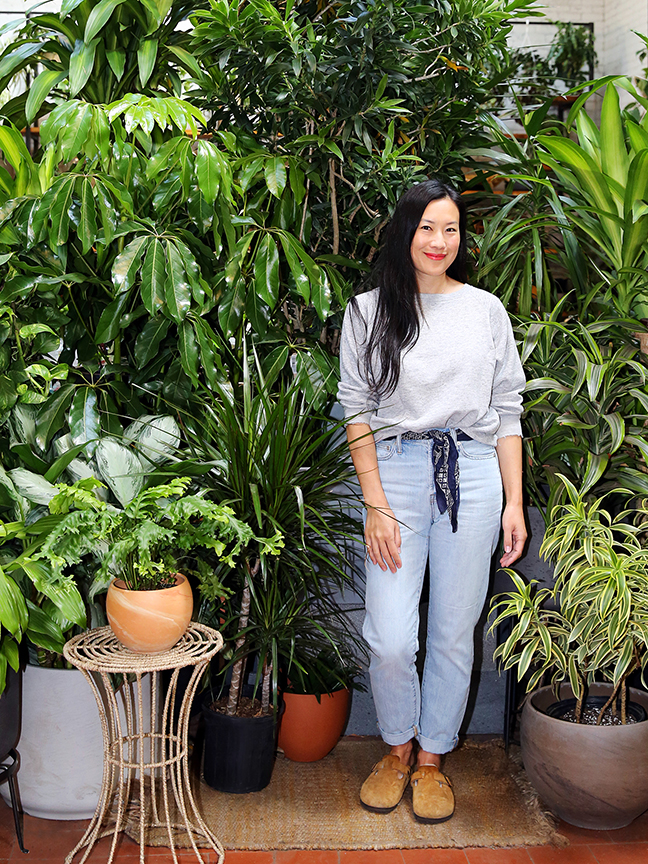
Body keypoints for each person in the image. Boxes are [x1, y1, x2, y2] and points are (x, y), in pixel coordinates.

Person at [337, 179, 527, 824]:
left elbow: (507, 412)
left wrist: (514, 505)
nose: (439, 242)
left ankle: (430, 761)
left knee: (451, 632)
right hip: (394, 475)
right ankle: (394, 748)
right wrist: (375, 503)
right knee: (391, 636)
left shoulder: (485, 310)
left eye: (450, 229)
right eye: (426, 228)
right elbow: (356, 410)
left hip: (473, 476)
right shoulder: (368, 311)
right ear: (404, 232)